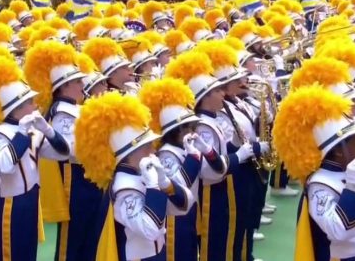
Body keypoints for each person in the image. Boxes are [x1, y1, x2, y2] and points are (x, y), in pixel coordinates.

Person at [0, 55, 71, 261]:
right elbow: (5, 166)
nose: (35, 104)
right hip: (11, 203)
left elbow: (63, 153)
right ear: (16, 108)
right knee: (11, 254)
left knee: (30, 251)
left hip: (31, 197)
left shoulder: (34, 128)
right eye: (29, 101)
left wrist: (48, 131)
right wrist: (22, 134)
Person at [274, 84, 355, 261]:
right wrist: (351, 186)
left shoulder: (352, 171)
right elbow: (339, 231)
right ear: (340, 150)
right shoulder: (319, 184)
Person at [75, 91, 193, 261]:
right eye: (147, 147)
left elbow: (185, 204)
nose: (153, 150)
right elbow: (149, 229)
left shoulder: (143, 174)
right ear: (129, 154)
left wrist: (165, 182)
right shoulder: (124, 187)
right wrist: (154, 187)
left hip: (156, 253)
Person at [165, 50, 257, 261]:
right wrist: (238, 157)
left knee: (227, 236)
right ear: (204, 98)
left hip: (221, 186)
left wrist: (235, 150)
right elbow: (208, 172)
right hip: (212, 193)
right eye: (217, 91)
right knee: (214, 243)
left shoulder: (211, 119)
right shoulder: (203, 125)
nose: (223, 94)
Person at [23, 40, 109, 261]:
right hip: (74, 180)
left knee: (90, 239)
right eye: (76, 80)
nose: (82, 84)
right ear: (62, 86)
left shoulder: (74, 108)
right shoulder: (63, 113)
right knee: (72, 242)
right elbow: (72, 150)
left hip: (87, 180)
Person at [138, 77, 223, 261]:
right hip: (174, 219)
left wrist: (206, 151)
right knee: (178, 255)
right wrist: (193, 159)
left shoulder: (184, 148)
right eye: (190, 127)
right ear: (177, 130)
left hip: (188, 210)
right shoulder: (167, 154)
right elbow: (174, 186)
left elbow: (217, 168)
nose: (194, 131)